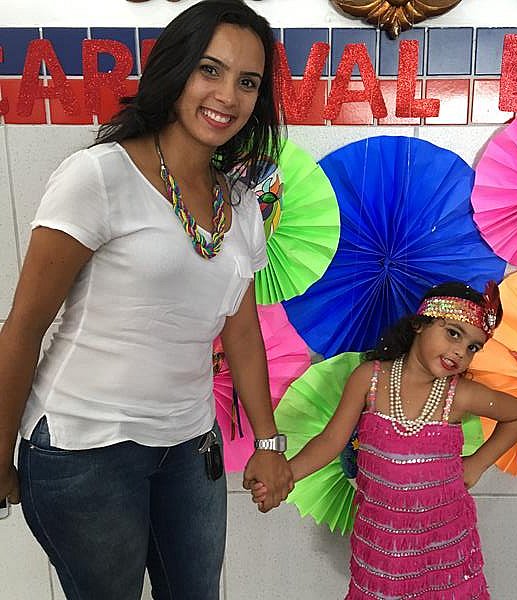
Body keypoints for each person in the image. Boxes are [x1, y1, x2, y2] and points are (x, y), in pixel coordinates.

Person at [0, 1, 293, 598]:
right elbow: (24, 327)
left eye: (247, 82)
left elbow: (241, 332)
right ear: (175, 70)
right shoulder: (99, 176)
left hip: (190, 447)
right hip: (85, 449)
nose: (227, 96)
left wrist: (268, 442)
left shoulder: (241, 206)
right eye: (209, 70)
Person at [252, 281, 517, 599]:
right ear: (419, 324)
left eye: (473, 347)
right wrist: (284, 475)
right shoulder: (369, 379)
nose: (460, 351)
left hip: (444, 542)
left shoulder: (460, 394)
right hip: (382, 543)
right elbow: (330, 441)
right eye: (453, 333)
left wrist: (477, 464)